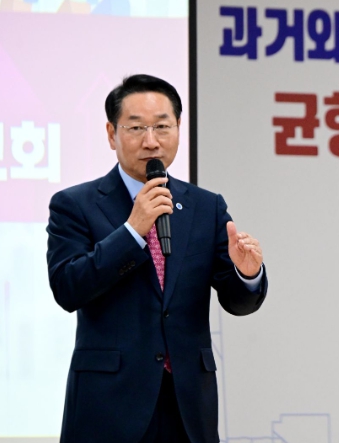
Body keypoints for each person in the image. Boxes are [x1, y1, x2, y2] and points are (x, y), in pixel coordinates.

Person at [46, 74, 268, 443]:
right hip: (109, 404)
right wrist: (132, 231)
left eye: (162, 126)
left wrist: (247, 274)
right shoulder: (75, 205)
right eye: (136, 128)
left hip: (187, 405)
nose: (151, 141)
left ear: (178, 128)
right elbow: (68, 288)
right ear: (111, 134)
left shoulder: (206, 206)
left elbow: (238, 302)